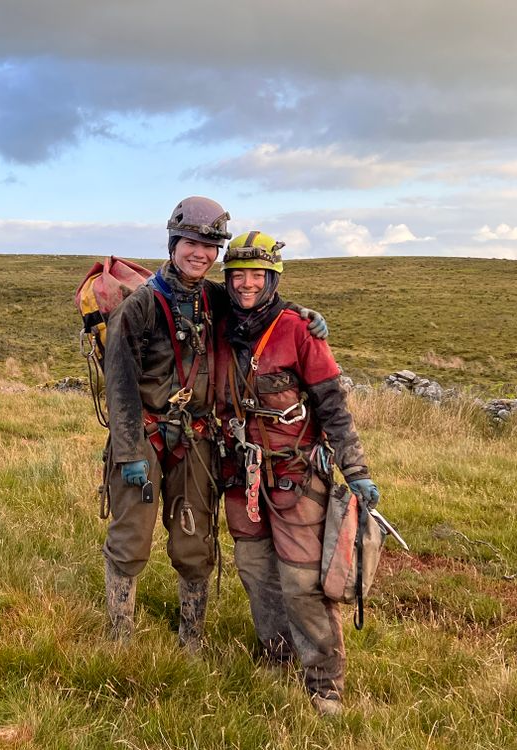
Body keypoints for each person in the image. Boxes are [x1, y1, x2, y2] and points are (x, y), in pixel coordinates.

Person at [100, 197, 328, 654]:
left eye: (210, 246)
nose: (201, 253)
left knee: (195, 542)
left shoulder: (215, 298)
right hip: (143, 436)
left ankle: (192, 641)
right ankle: (118, 638)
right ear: (173, 244)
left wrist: (303, 315)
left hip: (197, 439)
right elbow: (120, 386)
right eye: (192, 243)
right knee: (130, 539)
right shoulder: (139, 307)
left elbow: (261, 307)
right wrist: (127, 454)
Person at [214, 230, 380, 716]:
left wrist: (355, 469)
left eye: (256, 275)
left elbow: (333, 406)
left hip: (297, 474)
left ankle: (325, 685)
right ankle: (277, 657)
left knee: (302, 581)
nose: (246, 284)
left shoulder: (299, 330)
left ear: (273, 278)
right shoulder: (217, 324)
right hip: (240, 476)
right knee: (255, 570)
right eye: (237, 275)